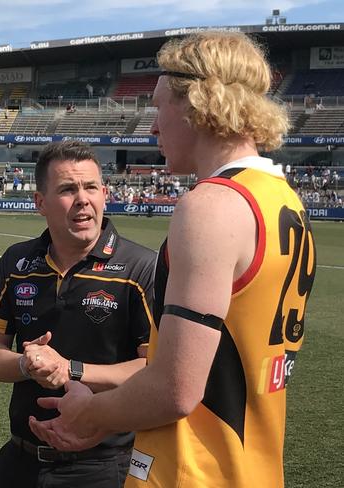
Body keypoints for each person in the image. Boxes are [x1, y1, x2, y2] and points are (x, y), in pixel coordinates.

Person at [29, 31, 316, 488]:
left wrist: (90, 412)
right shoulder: (284, 200)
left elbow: (176, 389)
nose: (152, 127)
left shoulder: (211, 206)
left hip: (195, 472)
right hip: (254, 467)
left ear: (197, 104)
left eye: (159, 107)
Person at [0, 140, 155, 488]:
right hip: (21, 464)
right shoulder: (17, 263)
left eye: (91, 187)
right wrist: (27, 365)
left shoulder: (139, 268)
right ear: (40, 202)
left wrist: (70, 369)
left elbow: (155, 369)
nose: (83, 199)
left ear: (105, 193)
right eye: (67, 189)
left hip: (104, 466)